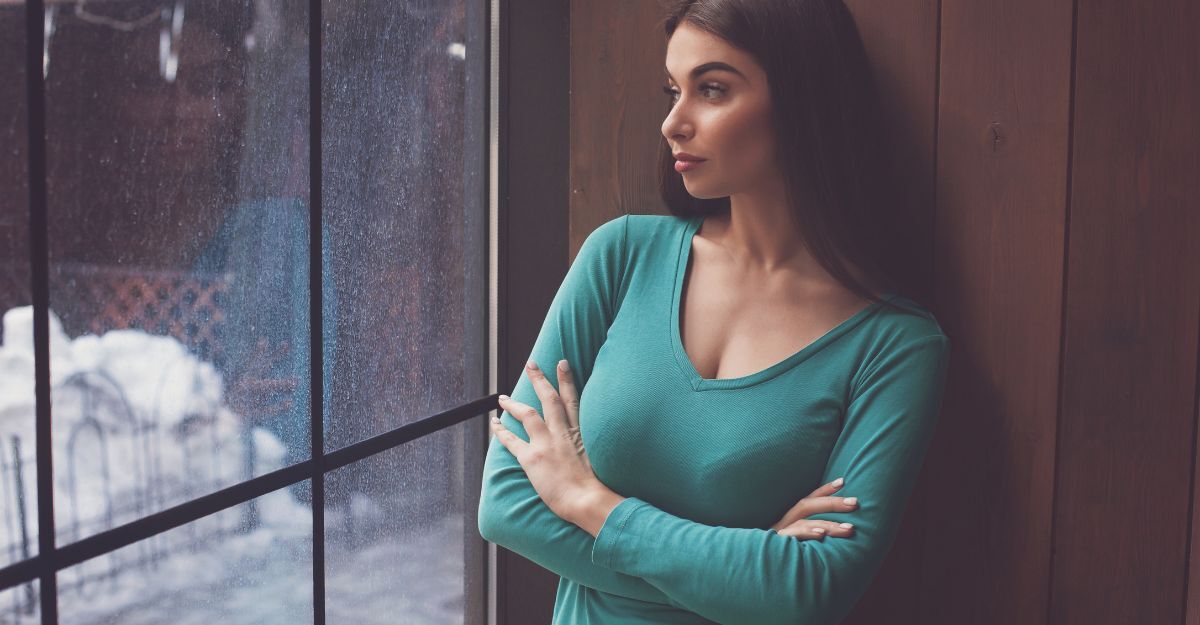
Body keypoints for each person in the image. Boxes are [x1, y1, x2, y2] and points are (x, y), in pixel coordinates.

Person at [477, 1, 951, 623]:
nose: (673, 123)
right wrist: (750, 567)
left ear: (803, 98)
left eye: (712, 89)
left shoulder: (895, 345)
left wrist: (589, 502)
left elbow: (812, 591)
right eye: (673, 90)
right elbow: (506, 505)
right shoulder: (621, 256)